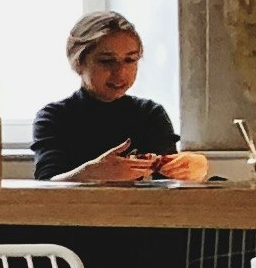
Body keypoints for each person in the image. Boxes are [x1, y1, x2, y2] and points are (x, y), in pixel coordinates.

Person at [30, 10, 186, 183]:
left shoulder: (150, 114)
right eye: (106, 61)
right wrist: (90, 173)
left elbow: (168, 184)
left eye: (130, 60)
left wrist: (189, 171)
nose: (120, 73)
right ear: (78, 63)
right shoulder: (53, 117)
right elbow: (46, 186)